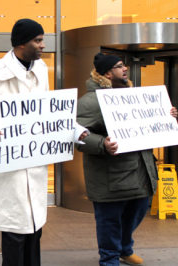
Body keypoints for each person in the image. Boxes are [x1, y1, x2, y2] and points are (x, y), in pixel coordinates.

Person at [0, 18, 87, 266]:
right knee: (15, 232)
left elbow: (47, 113)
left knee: (34, 228)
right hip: (9, 166)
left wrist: (74, 131)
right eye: (38, 40)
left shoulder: (40, 70)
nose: (43, 45)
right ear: (22, 44)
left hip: (34, 162)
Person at [76, 52, 178, 266]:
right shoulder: (91, 101)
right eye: (120, 66)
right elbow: (76, 134)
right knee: (110, 220)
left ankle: (123, 248)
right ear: (106, 72)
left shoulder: (132, 96)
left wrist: (167, 117)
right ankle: (109, 257)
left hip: (139, 171)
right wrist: (101, 144)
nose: (125, 69)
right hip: (110, 177)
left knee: (139, 209)